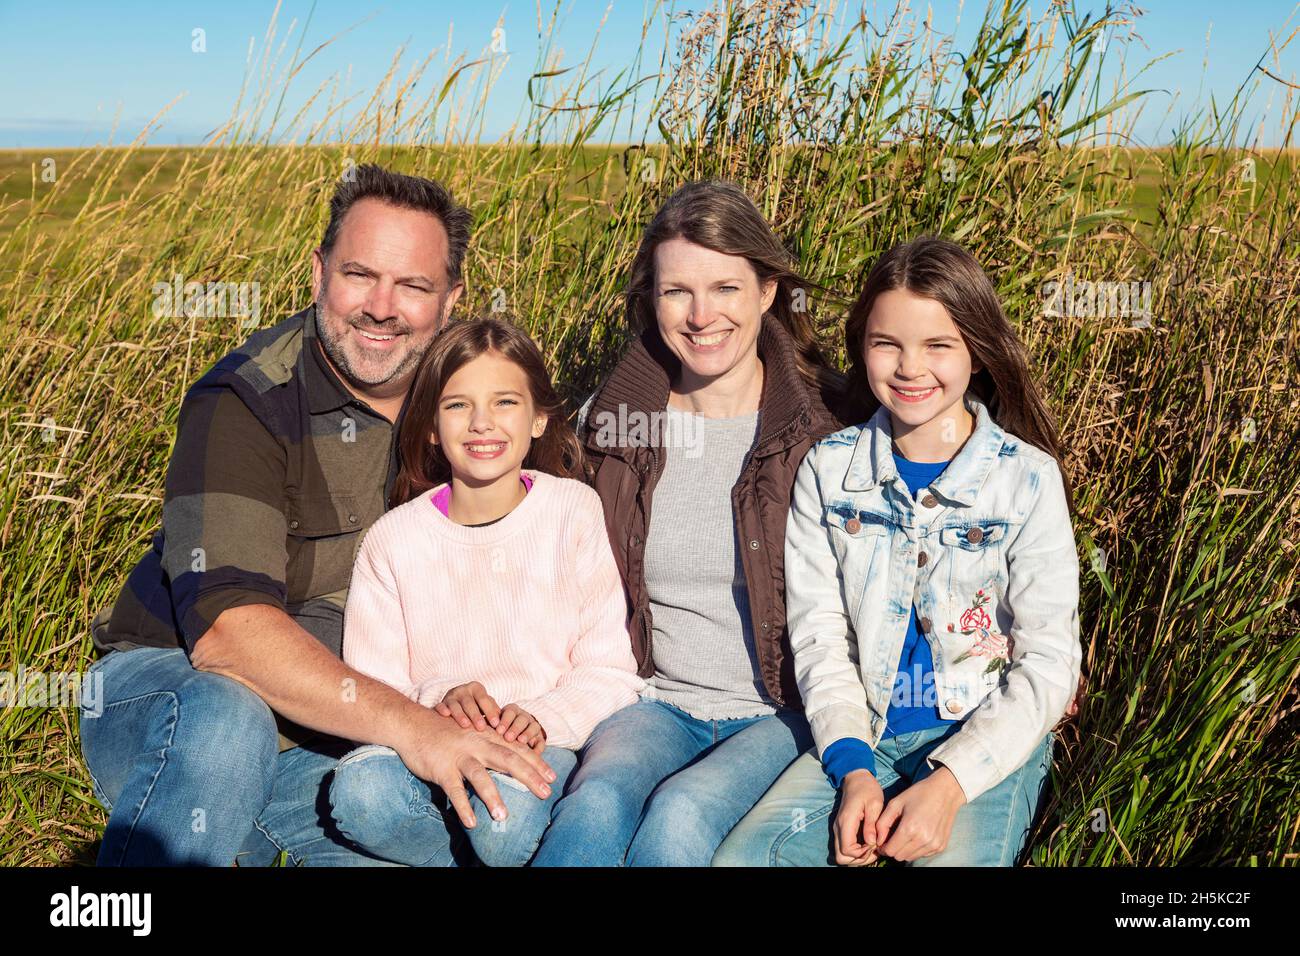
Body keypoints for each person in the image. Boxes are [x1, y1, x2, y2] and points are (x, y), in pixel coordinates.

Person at [79, 165, 554, 866]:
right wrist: (415, 728)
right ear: (318, 273)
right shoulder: (247, 400)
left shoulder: (471, 402)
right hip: (172, 698)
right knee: (229, 720)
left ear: (450, 300)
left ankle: (244, 829)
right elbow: (228, 639)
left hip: (334, 740)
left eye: (414, 286)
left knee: (490, 821)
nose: (381, 307)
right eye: (359, 274)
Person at [713, 236, 1083, 867]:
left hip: (984, 737)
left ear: (978, 351)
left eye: (939, 345)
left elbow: (1049, 663)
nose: (911, 368)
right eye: (888, 344)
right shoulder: (830, 472)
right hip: (866, 729)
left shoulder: (1025, 479)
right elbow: (821, 636)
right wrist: (854, 768)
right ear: (863, 347)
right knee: (744, 861)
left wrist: (949, 785)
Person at [530, 180, 850, 866]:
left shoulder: (827, 430)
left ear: (768, 291)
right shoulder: (608, 426)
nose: (702, 315)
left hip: (783, 711)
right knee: (595, 802)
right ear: (652, 300)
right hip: (655, 700)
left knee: (680, 815)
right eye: (678, 292)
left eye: (726, 289)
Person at [326, 318, 643, 866]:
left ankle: (488, 843)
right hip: (429, 741)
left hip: (542, 739)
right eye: (456, 406)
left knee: (501, 828)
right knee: (361, 798)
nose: (481, 424)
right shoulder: (394, 540)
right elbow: (373, 684)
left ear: (539, 418)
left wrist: (542, 716)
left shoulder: (572, 511)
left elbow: (610, 669)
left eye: (504, 403)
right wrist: (440, 696)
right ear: (428, 426)